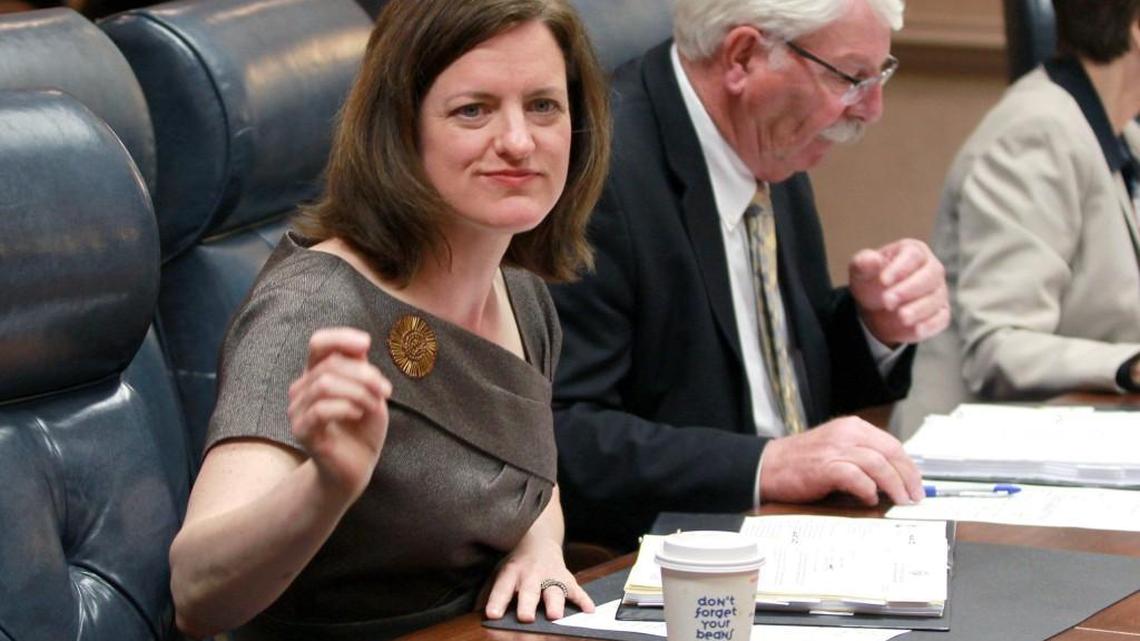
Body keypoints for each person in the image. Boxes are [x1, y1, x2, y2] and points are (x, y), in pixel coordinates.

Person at [167, 0, 611, 638]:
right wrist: (326, 486)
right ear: (401, 130)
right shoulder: (313, 307)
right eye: (473, 110)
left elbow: (524, 469)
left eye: (543, 105)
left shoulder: (520, 290)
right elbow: (195, 593)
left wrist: (538, 546)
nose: (519, 141)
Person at [549, 0, 951, 550]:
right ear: (742, 57)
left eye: (877, 76)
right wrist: (766, 464)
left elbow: (777, 385)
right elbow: (563, 435)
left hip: (797, 538)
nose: (872, 108)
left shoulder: (769, 140)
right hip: (658, 561)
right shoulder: (599, 168)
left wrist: (874, 327)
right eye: (851, 77)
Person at [891, 0, 1140, 438]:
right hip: (965, 458)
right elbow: (1000, 346)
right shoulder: (1035, 132)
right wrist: (1130, 365)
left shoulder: (1127, 138)